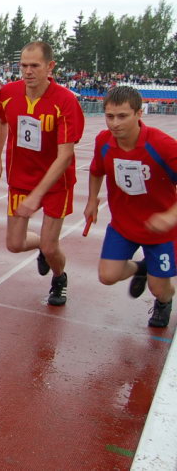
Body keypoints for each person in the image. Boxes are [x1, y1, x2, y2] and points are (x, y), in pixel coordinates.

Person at [0, 41, 85, 306]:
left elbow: (65, 155)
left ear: (50, 67)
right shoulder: (9, 92)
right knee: (15, 244)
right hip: (20, 179)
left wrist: (37, 196)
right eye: (23, 65)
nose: (28, 71)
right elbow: (1, 121)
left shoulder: (65, 101)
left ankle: (60, 277)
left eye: (34, 66)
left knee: (51, 246)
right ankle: (43, 246)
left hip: (56, 183)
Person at [84, 86, 176, 328]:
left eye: (122, 116)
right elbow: (96, 171)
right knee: (107, 276)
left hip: (161, 231)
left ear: (138, 114)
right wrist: (92, 200)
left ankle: (164, 301)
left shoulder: (162, 145)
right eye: (109, 116)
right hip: (124, 224)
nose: (114, 123)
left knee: (160, 289)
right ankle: (142, 267)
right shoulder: (103, 141)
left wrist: (170, 215)